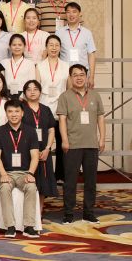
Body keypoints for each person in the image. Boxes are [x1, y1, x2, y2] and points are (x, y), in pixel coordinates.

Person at [57, 63, 104, 223]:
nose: (79, 77)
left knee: (91, 181)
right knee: (70, 181)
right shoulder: (65, 96)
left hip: (91, 144)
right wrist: (64, 140)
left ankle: (88, 213)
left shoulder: (95, 95)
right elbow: (62, 120)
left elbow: (100, 118)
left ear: (86, 76)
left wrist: (102, 138)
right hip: (72, 145)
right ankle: (68, 214)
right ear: (70, 78)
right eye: (75, 75)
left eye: (82, 74)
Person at [0, 99, 43, 237]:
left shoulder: (31, 131)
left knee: (31, 187)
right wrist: (3, 174)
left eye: (17, 111)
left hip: (24, 173)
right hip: (5, 173)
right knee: (5, 187)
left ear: (22, 113)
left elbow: (35, 156)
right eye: (10, 111)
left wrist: (30, 173)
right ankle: (10, 226)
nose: (13, 114)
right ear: (6, 113)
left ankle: (29, 226)